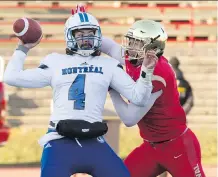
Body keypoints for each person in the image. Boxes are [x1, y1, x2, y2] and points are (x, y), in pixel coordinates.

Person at [3, 12, 159, 177]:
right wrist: (23, 48)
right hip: (60, 142)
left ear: (98, 35)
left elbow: (139, 98)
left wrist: (147, 71)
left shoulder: (108, 65)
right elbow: (11, 77)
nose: (86, 38)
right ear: (70, 36)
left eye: (91, 33)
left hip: (94, 141)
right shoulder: (56, 61)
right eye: (80, 33)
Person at [101, 19, 205, 177]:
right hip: (151, 147)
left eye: (136, 43)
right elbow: (109, 47)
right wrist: (87, 29)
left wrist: (113, 90)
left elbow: (130, 118)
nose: (130, 47)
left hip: (177, 147)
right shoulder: (138, 58)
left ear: (152, 48)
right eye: (131, 41)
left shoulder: (158, 73)